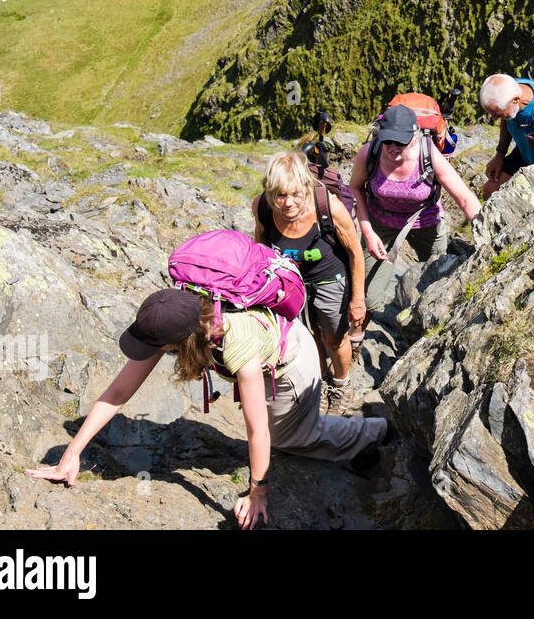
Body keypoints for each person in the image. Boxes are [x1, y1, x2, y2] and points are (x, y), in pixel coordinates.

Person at [27, 288, 389, 529]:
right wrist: (72, 453)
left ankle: (375, 431)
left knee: (292, 439)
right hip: (263, 356)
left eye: (158, 347)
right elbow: (120, 389)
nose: (153, 351)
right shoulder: (181, 315)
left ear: (179, 343)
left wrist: (258, 490)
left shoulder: (237, 347)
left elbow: (255, 429)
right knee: (278, 440)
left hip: (291, 361)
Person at [349, 104, 481, 329]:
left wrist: (487, 235)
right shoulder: (369, 153)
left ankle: (427, 335)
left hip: (426, 222)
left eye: (401, 141)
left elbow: (465, 199)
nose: (393, 147)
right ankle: (356, 338)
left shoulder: (428, 154)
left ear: (414, 136)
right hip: (381, 224)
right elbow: (355, 188)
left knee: (439, 287)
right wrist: (368, 232)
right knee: (368, 297)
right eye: (388, 140)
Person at [253, 151, 364, 414]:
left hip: (329, 279)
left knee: (334, 338)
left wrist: (358, 299)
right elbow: (259, 246)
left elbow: (354, 251)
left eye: (295, 194)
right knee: (306, 335)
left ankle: (341, 384)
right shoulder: (262, 207)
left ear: (307, 186)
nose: (288, 203)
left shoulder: (329, 206)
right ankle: (319, 381)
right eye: (280, 195)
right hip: (291, 283)